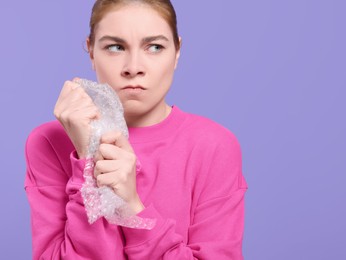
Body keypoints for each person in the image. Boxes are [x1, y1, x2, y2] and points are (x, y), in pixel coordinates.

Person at [24, 0, 247, 259]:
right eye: (115, 47)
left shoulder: (214, 146)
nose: (134, 67)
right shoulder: (48, 142)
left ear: (177, 52)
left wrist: (132, 208)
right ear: (91, 52)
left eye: (154, 47)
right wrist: (89, 160)